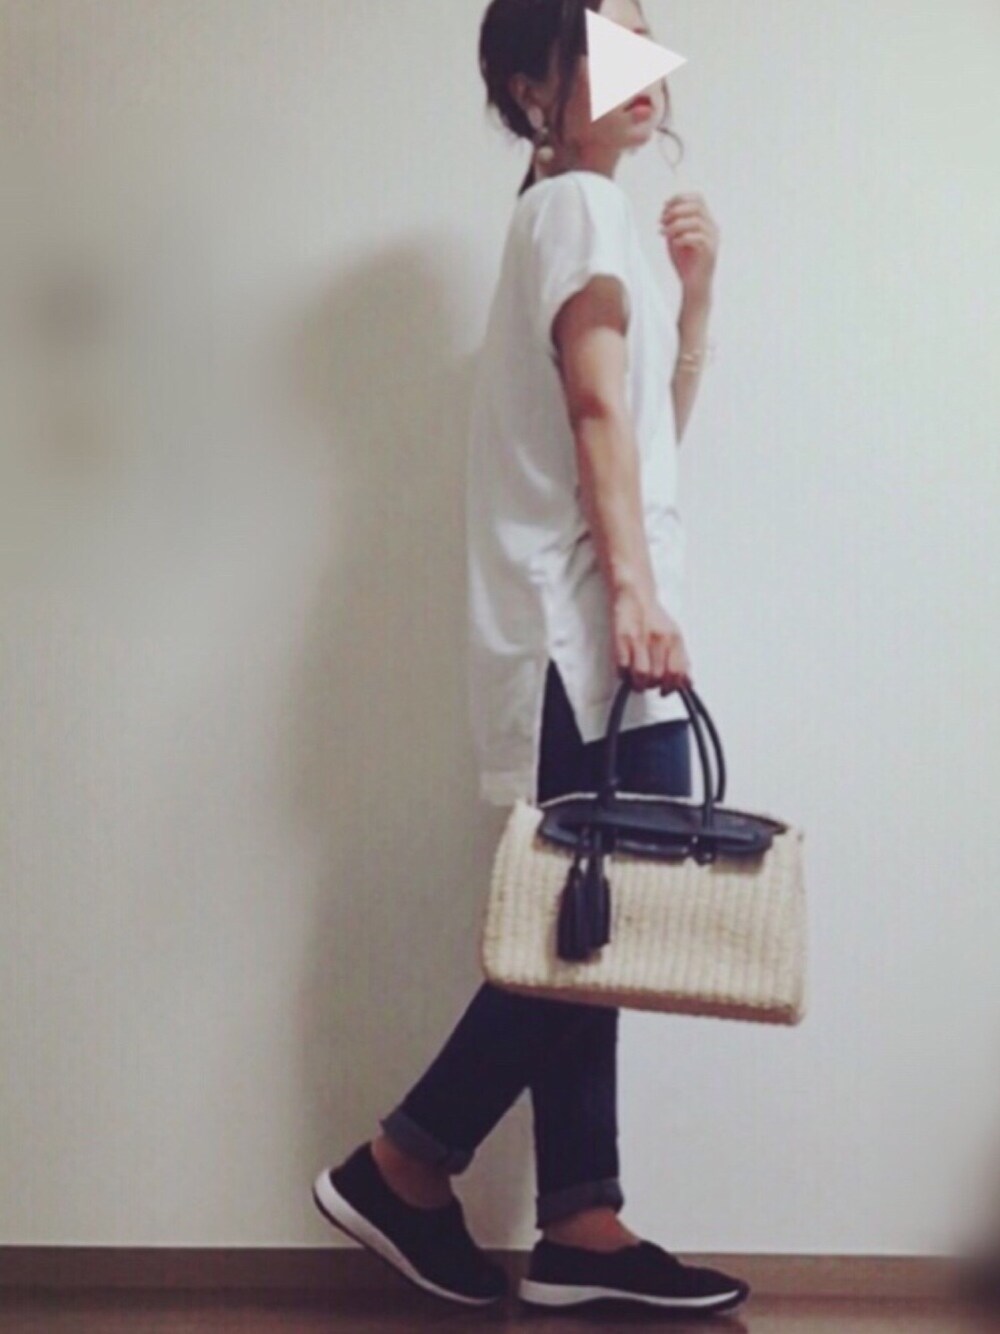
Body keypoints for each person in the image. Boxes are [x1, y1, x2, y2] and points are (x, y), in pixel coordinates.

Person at [313, 0, 750, 1315]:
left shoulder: (582, 219)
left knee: (595, 919)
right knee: (596, 922)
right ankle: (404, 1162)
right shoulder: (574, 210)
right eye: (600, 36)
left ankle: (581, 1223)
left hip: (586, 634)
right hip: (584, 638)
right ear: (528, 85)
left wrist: (695, 305)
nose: (638, 65)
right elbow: (598, 413)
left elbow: (641, 436)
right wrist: (634, 598)